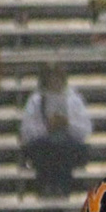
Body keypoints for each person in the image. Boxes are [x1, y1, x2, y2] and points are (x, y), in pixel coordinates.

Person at [18, 65, 93, 196]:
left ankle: (62, 188)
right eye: (51, 79)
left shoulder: (74, 100)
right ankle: (46, 188)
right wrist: (46, 128)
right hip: (43, 144)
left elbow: (85, 130)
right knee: (48, 149)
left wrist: (67, 124)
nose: (55, 82)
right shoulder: (36, 101)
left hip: (68, 144)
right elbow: (26, 132)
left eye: (58, 78)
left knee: (63, 148)